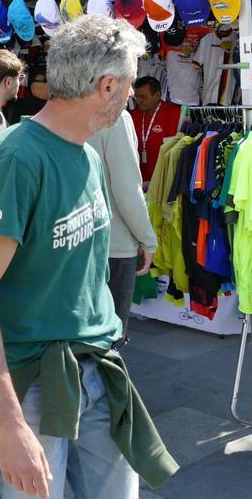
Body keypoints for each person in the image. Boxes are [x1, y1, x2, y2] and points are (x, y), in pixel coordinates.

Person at [0, 15, 177, 499]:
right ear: (107, 85)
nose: (133, 95)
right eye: (131, 84)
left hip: (95, 368)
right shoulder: (17, 158)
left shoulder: (88, 156)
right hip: (30, 381)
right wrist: (8, 425)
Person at [87, 110, 157, 346]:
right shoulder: (115, 118)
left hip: (77, 239)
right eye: (130, 83)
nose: (132, 91)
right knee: (111, 338)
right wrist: (147, 240)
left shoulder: (67, 110)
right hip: (114, 244)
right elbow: (127, 189)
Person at [130, 76, 184, 184]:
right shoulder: (132, 116)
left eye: (143, 97)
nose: (139, 101)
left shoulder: (175, 114)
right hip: (138, 180)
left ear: (157, 95)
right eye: (137, 97)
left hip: (164, 180)